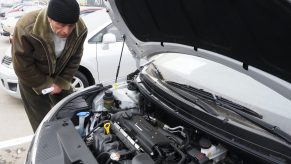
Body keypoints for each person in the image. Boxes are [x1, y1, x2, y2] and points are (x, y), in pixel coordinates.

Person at [12, 0, 88, 132]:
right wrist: (46, 84)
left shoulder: (80, 29)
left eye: (71, 26)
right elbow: (22, 65)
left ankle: (72, 139)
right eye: (61, 25)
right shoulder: (26, 27)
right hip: (33, 80)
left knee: (72, 111)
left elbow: (75, 58)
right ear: (49, 19)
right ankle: (46, 146)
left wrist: (62, 81)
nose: (66, 31)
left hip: (59, 76)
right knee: (42, 122)